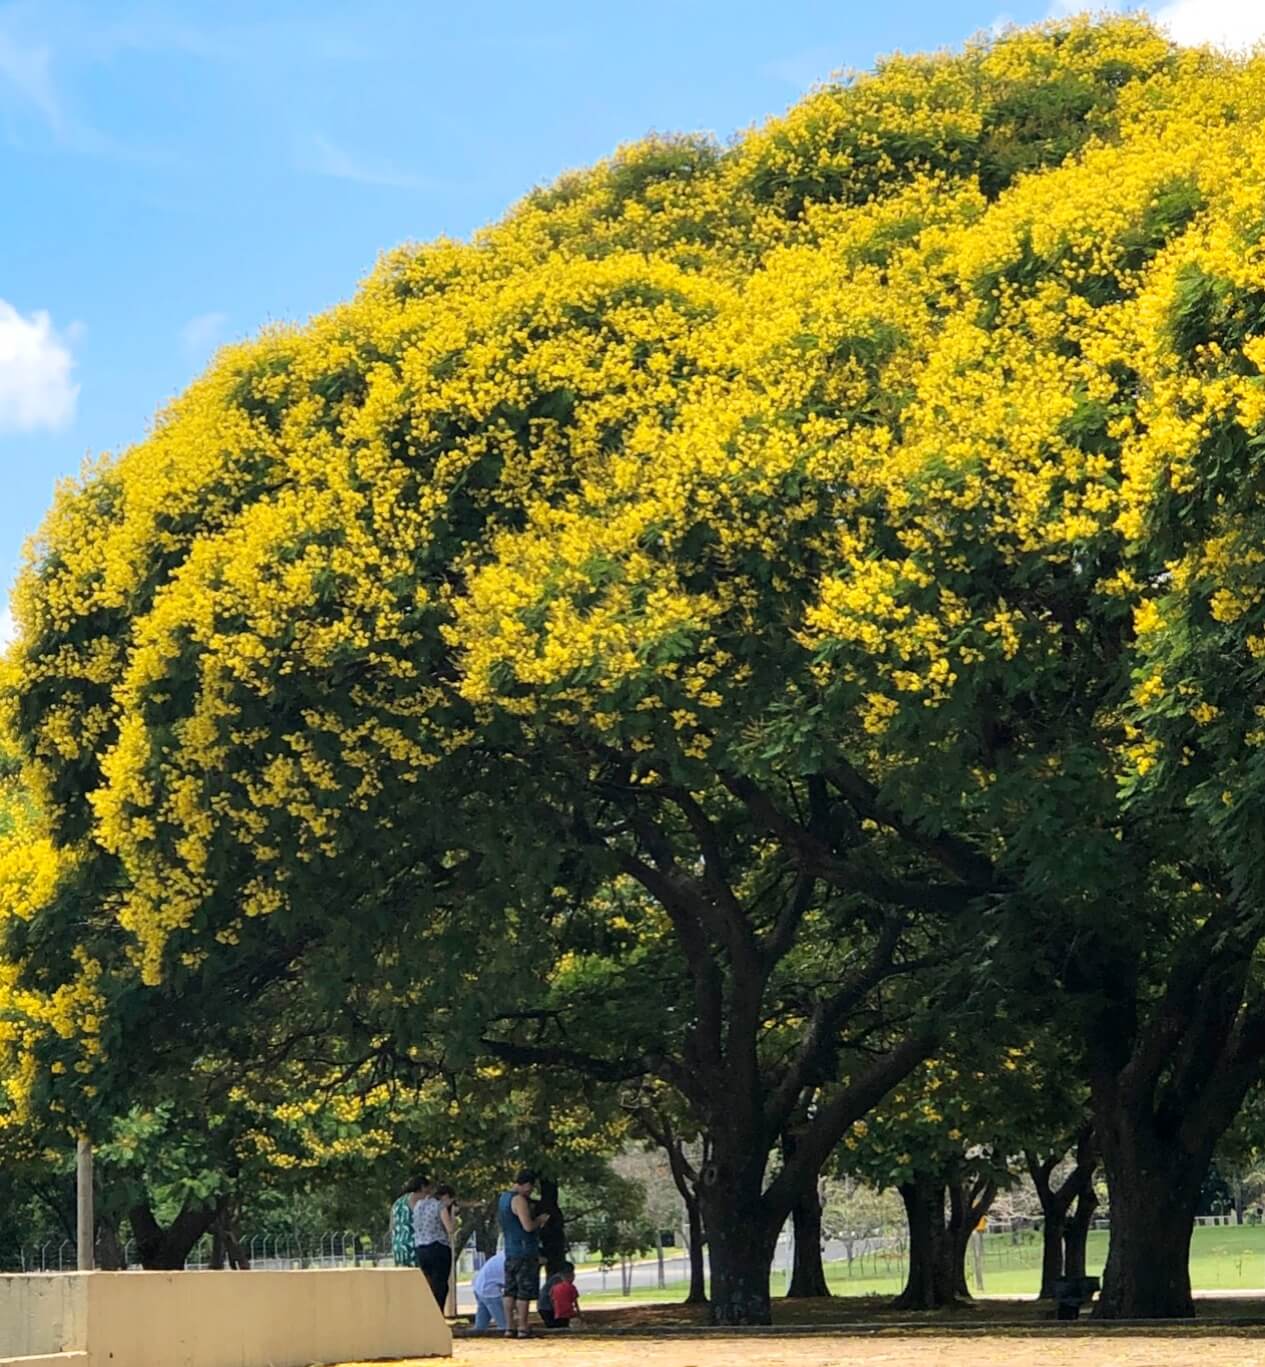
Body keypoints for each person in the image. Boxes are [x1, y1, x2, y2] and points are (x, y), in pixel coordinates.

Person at [498, 1169, 550, 1339]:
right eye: (530, 1187)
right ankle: (522, 1326)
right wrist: (539, 1221)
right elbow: (527, 1226)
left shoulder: (503, 1198)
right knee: (523, 1291)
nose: (530, 1191)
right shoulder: (518, 1200)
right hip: (524, 1250)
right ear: (525, 1184)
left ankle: (509, 1327)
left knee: (510, 1290)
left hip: (510, 1250)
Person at [414, 1183, 456, 1311]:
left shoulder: (419, 1205)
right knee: (441, 1285)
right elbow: (450, 1229)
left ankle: (428, 1313)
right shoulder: (440, 1206)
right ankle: (439, 1312)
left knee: (428, 1284)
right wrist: (452, 1214)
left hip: (421, 1248)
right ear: (446, 1197)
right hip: (438, 1247)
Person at [391, 1174, 431, 1268]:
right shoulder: (417, 1198)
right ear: (422, 1187)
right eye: (428, 1189)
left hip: (398, 1245)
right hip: (413, 1244)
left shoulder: (397, 1202)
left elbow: (392, 1226)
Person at [472, 1250, 507, 1330]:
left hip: (479, 1285)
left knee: (480, 1327)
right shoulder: (514, 1260)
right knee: (504, 1325)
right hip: (490, 1290)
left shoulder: (504, 1254)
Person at [544, 1262, 582, 1330]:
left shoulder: (555, 1280)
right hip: (548, 1307)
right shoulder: (560, 1282)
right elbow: (574, 1301)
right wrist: (578, 1312)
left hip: (551, 1308)